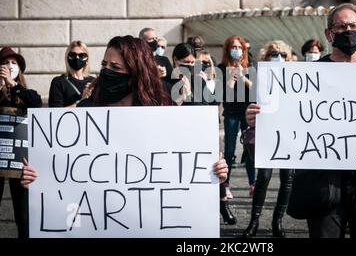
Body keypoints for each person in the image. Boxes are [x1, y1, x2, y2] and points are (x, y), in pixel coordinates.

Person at [246, 3, 356, 238]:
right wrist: (258, 121)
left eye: (352, 26)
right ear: (329, 34)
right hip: (323, 188)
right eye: (340, 27)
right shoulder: (306, 77)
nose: (347, 31)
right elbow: (285, 125)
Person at [21, 36, 228, 187]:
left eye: (116, 67)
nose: (107, 71)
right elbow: (61, 168)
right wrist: (38, 178)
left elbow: (187, 162)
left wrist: (214, 170)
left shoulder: (165, 112)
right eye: (104, 65)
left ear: (136, 72)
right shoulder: (86, 112)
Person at [242, 40, 295, 238]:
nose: (277, 56)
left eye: (282, 54)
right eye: (273, 53)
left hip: (289, 133)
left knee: (287, 178)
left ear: (288, 58)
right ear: (265, 56)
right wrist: (250, 113)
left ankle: (277, 222)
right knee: (263, 177)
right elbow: (249, 105)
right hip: (266, 132)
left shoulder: (295, 78)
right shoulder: (259, 78)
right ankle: (254, 222)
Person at [0, 47, 42, 238]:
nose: (9, 66)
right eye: (5, 63)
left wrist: (13, 84)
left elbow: (36, 103)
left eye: (14, 63)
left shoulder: (25, 92)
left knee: (23, 215)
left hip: (19, 160)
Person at [218, 35, 255, 200]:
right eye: (233, 47)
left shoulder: (250, 67)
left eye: (239, 47)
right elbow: (222, 95)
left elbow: (256, 90)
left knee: (250, 149)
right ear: (228, 49)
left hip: (247, 113)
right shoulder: (221, 68)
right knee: (229, 150)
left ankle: (253, 184)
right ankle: (225, 185)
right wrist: (232, 79)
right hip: (231, 113)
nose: (236, 50)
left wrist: (243, 77)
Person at [48, 41, 95, 107]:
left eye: (82, 55)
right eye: (73, 55)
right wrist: (82, 100)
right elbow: (55, 113)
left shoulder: (93, 82)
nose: (77, 58)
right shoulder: (59, 82)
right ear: (67, 58)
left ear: (87, 60)